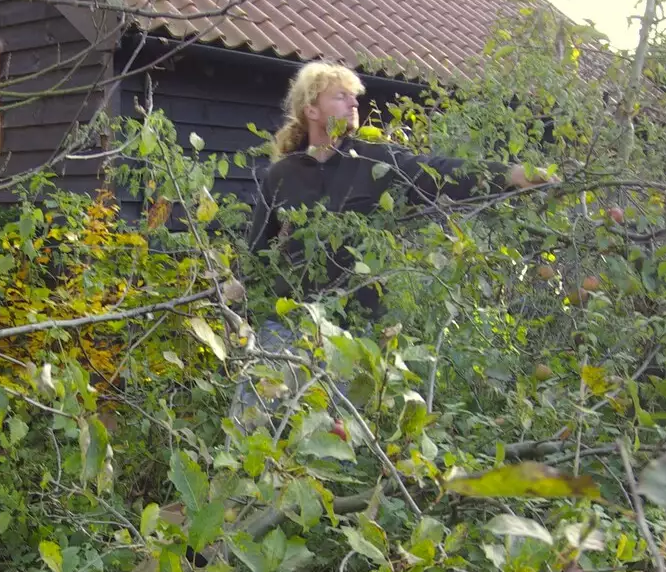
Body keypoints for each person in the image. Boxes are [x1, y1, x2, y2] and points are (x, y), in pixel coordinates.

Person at [230, 60, 556, 429]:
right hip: (288, 322)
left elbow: (438, 170)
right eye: (341, 97)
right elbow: (256, 250)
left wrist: (510, 175)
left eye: (355, 98)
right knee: (250, 421)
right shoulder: (281, 175)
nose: (354, 104)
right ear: (311, 109)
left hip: (351, 329)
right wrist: (238, 294)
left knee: (326, 436)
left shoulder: (373, 160)